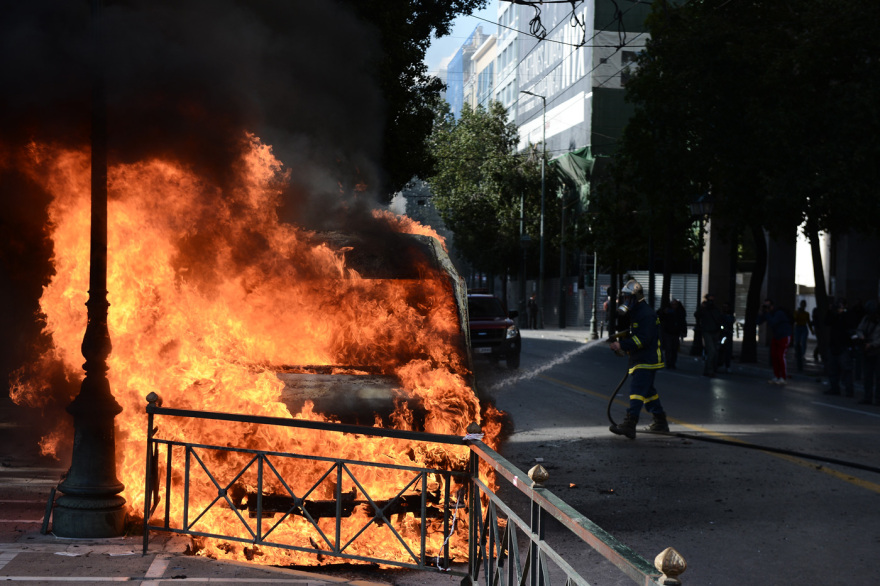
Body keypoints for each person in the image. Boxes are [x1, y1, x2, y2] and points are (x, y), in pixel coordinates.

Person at [608, 279, 668, 439]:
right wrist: (622, 336)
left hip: (647, 359)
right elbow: (636, 333)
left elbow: (643, 339)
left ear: (636, 297)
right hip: (642, 358)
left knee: (637, 391)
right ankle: (660, 421)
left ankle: (630, 424)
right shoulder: (637, 312)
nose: (625, 301)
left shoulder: (646, 314)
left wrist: (622, 345)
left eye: (628, 298)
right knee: (648, 392)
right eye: (624, 298)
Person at [756, 298, 793, 384]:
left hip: (784, 335)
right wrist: (761, 313)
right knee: (774, 356)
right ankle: (777, 376)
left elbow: (773, 322)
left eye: (767, 306)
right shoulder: (768, 313)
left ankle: (783, 377)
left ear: (772, 306)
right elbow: (758, 322)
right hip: (776, 336)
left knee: (781, 356)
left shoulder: (779, 313)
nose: (766, 307)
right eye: (765, 305)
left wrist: (767, 314)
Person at [824, 299, 855, 397]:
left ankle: (849, 390)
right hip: (834, 345)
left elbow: (849, 325)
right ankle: (835, 388)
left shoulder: (846, 316)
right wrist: (831, 311)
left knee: (846, 369)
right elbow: (827, 321)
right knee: (833, 368)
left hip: (843, 345)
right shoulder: (834, 316)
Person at [854, 300, 880, 405]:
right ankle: (867, 397)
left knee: (878, 377)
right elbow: (859, 329)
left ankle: (878, 398)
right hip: (867, 350)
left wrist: (873, 344)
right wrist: (862, 337)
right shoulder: (866, 319)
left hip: (877, 350)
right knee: (867, 375)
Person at [696, 293, 723, 377]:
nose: (711, 301)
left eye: (712, 299)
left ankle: (711, 369)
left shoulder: (715, 309)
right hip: (707, 331)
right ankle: (709, 370)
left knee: (715, 351)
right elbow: (697, 315)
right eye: (710, 299)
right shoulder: (704, 309)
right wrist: (702, 308)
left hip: (715, 331)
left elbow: (719, 318)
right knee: (712, 351)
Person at [659, 298, 687, 369]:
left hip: (675, 332)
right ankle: (669, 362)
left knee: (674, 348)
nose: (674, 306)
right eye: (673, 304)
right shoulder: (669, 311)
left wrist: (683, 331)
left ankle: (672, 363)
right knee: (669, 348)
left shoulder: (679, 312)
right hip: (669, 332)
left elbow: (683, 322)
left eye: (675, 304)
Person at [793, 299, 814, 372]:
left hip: (803, 327)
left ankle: (802, 354)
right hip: (798, 327)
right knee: (797, 342)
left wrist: (812, 330)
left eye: (804, 304)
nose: (803, 306)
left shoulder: (806, 314)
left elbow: (808, 322)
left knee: (803, 341)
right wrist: (798, 313)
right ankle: (797, 353)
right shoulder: (796, 312)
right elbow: (794, 319)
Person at [718, 302, 736, 373]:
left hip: (727, 334)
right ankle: (720, 363)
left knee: (727, 350)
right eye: (724, 307)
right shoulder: (721, 316)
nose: (725, 309)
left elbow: (731, 321)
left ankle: (727, 365)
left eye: (726, 307)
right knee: (721, 348)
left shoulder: (730, 316)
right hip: (722, 334)